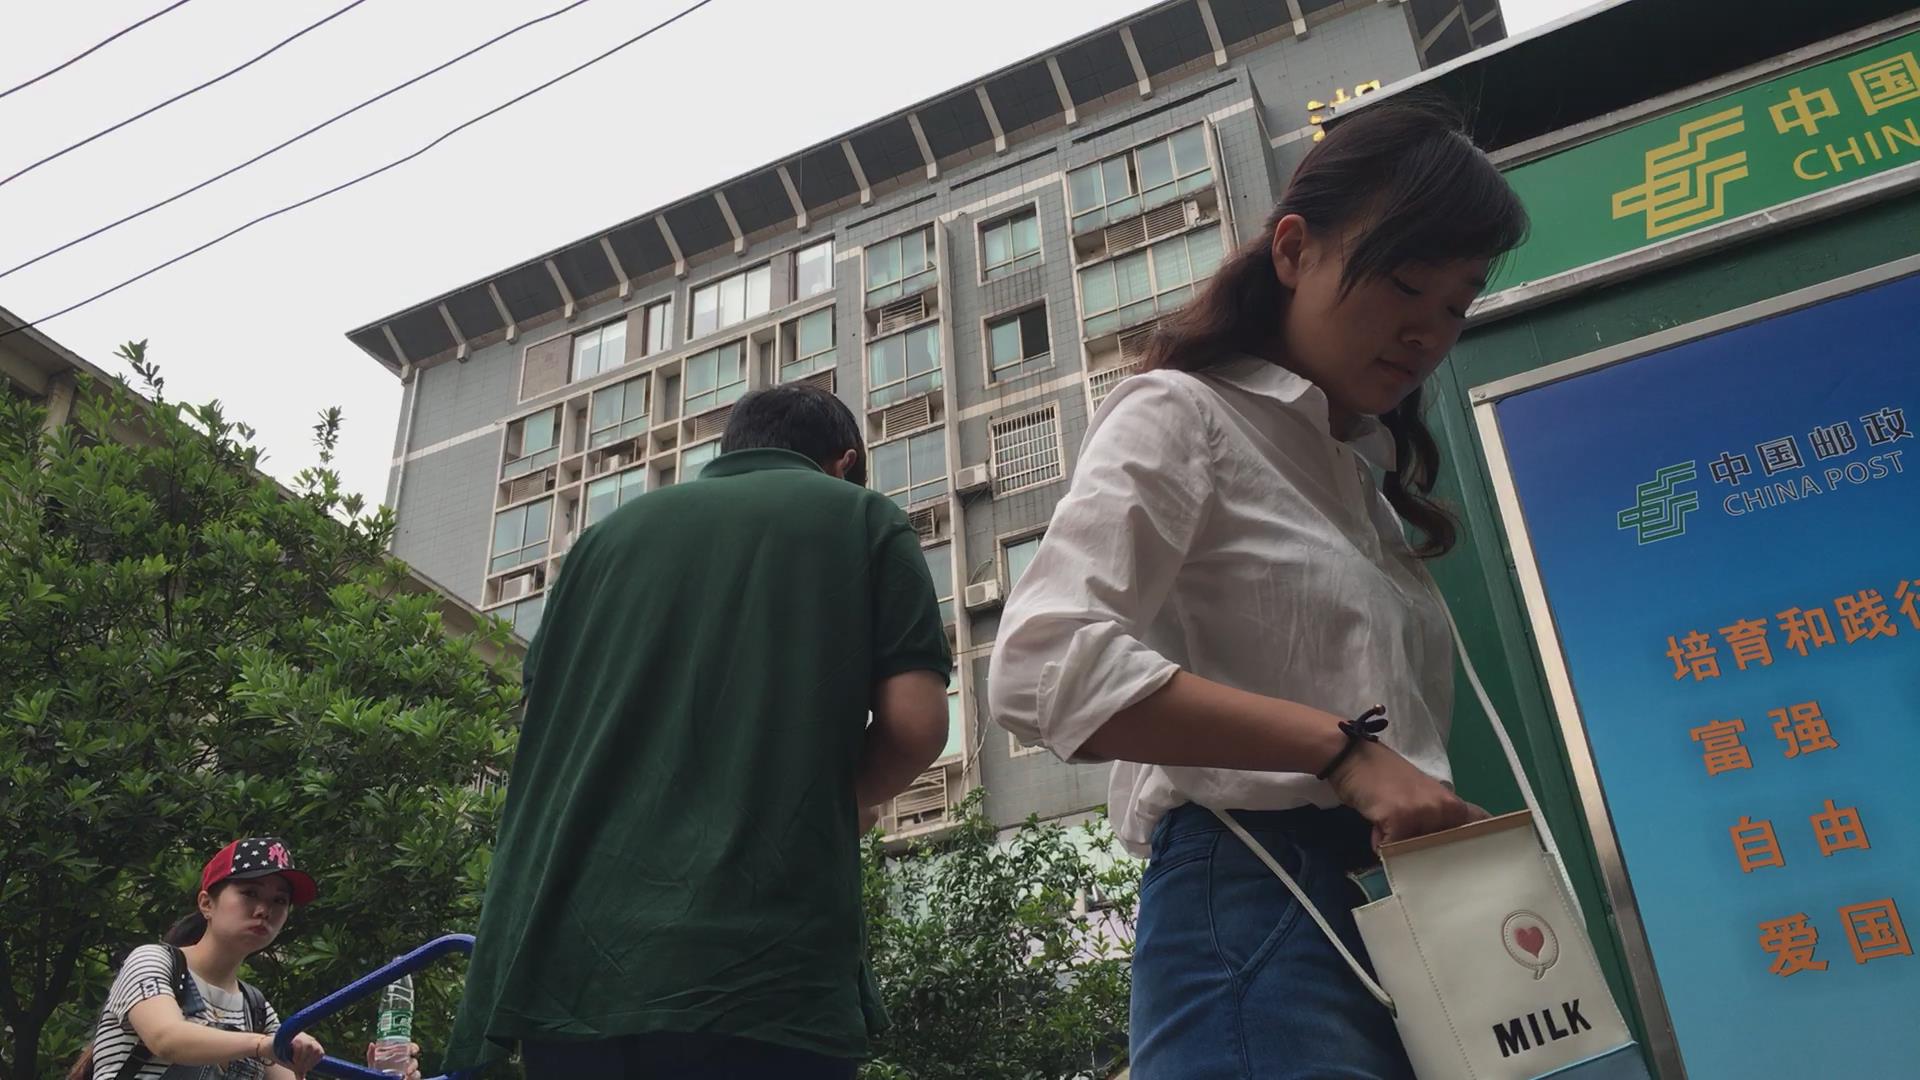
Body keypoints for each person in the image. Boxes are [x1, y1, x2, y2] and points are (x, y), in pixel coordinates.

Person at [989, 100, 1529, 1079]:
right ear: (1293, 250)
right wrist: (1345, 754)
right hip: (1257, 891)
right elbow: (1042, 664)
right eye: (1406, 281)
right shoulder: (1183, 414)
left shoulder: (1358, 478)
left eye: (1458, 304)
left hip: (1407, 907)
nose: (1428, 331)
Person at [446, 382, 953, 1079]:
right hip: (757, 967)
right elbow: (916, 724)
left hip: (571, 965)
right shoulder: (861, 516)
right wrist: (846, 802)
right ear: (845, 462)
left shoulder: (601, 543)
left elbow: (542, 730)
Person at [74, 837, 423, 1080]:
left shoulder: (255, 1009)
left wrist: (374, 1076)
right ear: (206, 903)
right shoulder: (154, 961)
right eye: (249, 893)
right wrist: (263, 1046)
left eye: (279, 901)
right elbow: (167, 1038)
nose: (263, 910)